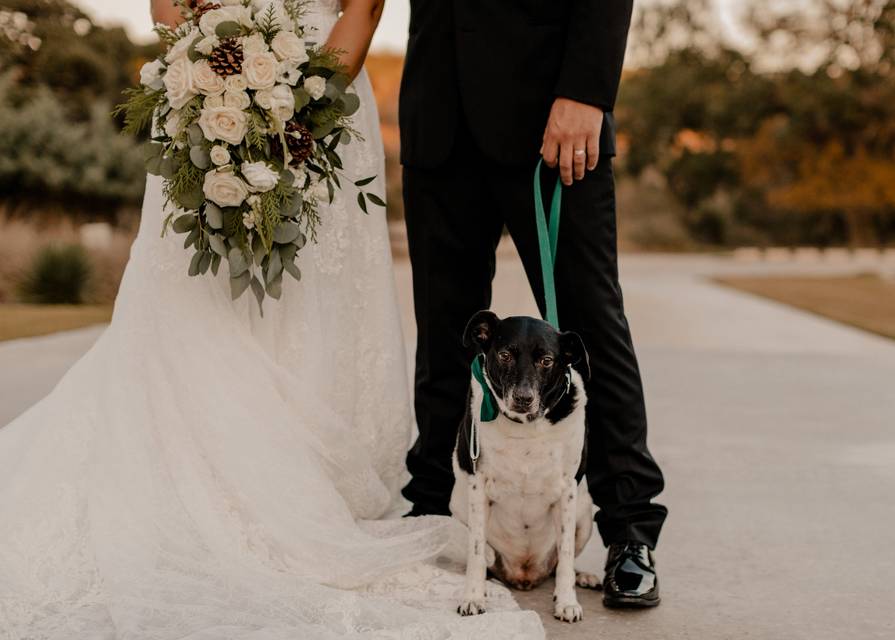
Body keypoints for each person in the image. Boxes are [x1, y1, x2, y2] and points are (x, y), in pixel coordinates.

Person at [0, 1, 543, 637]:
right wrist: (211, 81)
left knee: (311, 304)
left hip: (322, 109)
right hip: (203, 100)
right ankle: (197, 484)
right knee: (198, 302)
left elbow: (363, 8)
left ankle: (308, 496)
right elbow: (168, 5)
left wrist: (298, 114)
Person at [399, 0, 669, 608]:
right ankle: (431, 507)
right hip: (438, 116)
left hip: (553, 116)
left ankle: (630, 532)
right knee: (445, 332)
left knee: (590, 327)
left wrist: (586, 91)